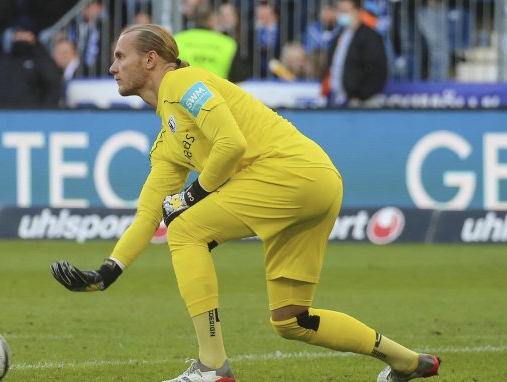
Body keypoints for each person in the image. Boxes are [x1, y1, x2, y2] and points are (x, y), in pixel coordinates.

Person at [50, 23, 441, 382]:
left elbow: (231, 144)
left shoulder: (184, 82)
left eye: (120, 57)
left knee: (186, 229)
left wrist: (191, 195)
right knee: (292, 321)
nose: (111, 66)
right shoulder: (167, 141)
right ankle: (406, 361)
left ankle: (212, 365)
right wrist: (107, 272)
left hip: (290, 174)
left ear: (151, 60)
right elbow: (148, 215)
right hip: (318, 184)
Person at [321, 0, 387, 107]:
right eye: (340, 11)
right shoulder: (339, 36)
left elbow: (377, 71)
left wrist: (360, 96)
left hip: (361, 103)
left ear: (358, 12)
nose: (342, 15)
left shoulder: (370, 37)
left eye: (346, 11)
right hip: (337, 100)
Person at [0, 21, 62, 107]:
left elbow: (53, 87)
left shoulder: (41, 59)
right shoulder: (2, 59)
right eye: (17, 34)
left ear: (32, 36)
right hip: (1, 113)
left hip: (31, 114)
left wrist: (44, 112)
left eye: (24, 34)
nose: (20, 37)